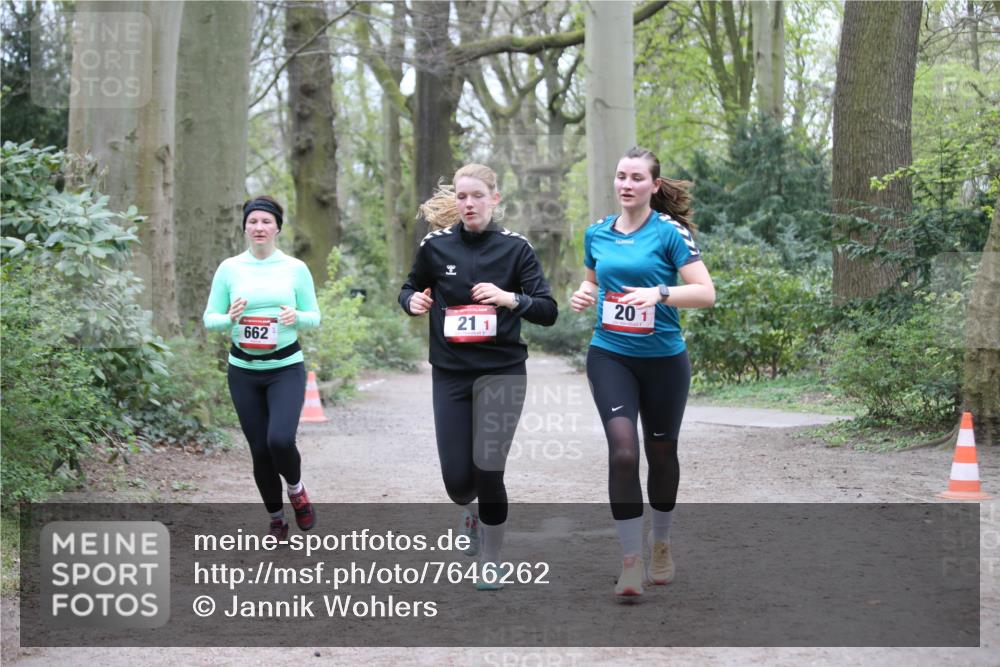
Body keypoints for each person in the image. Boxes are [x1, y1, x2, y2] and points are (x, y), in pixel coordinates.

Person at [398, 164, 558, 589]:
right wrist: (412, 301)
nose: (469, 204)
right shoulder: (435, 246)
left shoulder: (516, 249)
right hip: (450, 375)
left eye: (477, 196)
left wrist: (509, 298)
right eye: (463, 197)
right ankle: (469, 514)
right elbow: (408, 287)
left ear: (495, 199)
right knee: (456, 482)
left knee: (490, 468)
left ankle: (491, 559)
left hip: (502, 372)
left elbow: (548, 310)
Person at [570, 147, 715, 598]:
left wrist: (660, 294)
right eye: (620, 176)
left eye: (636, 177)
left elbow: (706, 292)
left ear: (654, 185)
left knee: (662, 452)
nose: (626, 184)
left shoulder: (669, 233)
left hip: (664, 361)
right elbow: (593, 280)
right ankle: (630, 562)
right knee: (624, 452)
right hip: (610, 354)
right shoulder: (596, 233)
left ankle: (662, 544)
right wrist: (583, 293)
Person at [204, 195, 320, 540]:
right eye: (253, 221)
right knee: (259, 450)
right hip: (243, 370)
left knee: (280, 440)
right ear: (244, 227)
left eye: (266, 221)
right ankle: (276, 519)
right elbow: (210, 319)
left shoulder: (295, 268)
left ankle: (297, 491)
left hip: (286, 366)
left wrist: (295, 316)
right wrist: (229, 318)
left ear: (277, 228)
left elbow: (314, 317)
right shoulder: (229, 268)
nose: (259, 227)